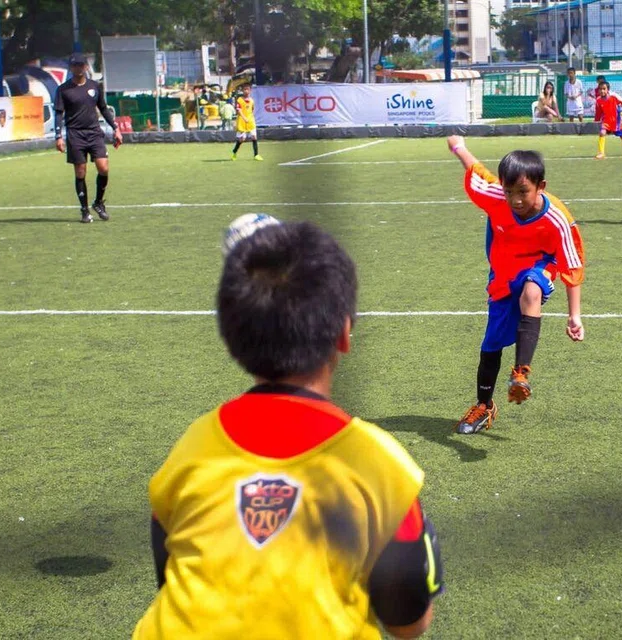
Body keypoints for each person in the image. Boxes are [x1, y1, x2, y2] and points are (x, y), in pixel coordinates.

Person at [133, 220, 443, 640]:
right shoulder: (378, 465)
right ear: (345, 334)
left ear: (229, 339)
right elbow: (409, 624)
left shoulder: (190, 451)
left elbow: (169, 576)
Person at [445, 135, 585, 435]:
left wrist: (574, 315)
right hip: (502, 274)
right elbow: (477, 171)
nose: (516, 200)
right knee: (491, 345)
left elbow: (572, 265)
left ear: (541, 187)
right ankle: (484, 405)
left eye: (524, 191)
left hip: (539, 266)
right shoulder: (496, 196)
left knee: (532, 291)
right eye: (510, 192)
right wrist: (459, 147)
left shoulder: (558, 219)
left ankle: (521, 373)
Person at [54, 52, 122, 223]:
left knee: (103, 168)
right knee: (80, 171)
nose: (78, 68)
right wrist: (58, 136)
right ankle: (84, 210)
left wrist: (116, 128)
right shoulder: (63, 89)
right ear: (71, 68)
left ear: (86, 67)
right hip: (75, 134)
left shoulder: (94, 86)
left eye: (81, 65)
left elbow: (104, 109)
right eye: (74, 65)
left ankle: (98, 203)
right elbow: (59, 114)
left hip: (94, 132)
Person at [594, 81, 622, 159]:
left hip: (616, 121)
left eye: (604, 89)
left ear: (608, 90)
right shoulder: (598, 100)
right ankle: (601, 153)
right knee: (602, 133)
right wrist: (597, 119)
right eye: (600, 89)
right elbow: (599, 111)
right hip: (606, 121)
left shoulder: (613, 96)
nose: (602, 91)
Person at [232, 84, 262, 160]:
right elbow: (238, 110)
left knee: (254, 137)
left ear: (250, 91)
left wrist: (249, 118)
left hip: (250, 121)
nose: (246, 91)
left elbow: (251, 110)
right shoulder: (239, 100)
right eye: (245, 89)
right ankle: (234, 152)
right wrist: (244, 117)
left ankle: (256, 155)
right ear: (242, 91)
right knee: (242, 139)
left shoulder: (252, 100)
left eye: (248, 89)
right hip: (242, 121)